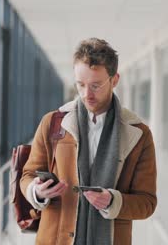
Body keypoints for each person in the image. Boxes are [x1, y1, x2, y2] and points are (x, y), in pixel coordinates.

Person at [20, 38, 157, 245]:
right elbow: (27, 176)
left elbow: (147, 202)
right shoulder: (52, 123)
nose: (86, 94)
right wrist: (37, 191)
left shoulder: (138, 134)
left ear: (114, 79)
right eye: (80, 84)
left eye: (95, 85)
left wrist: (113, 201)